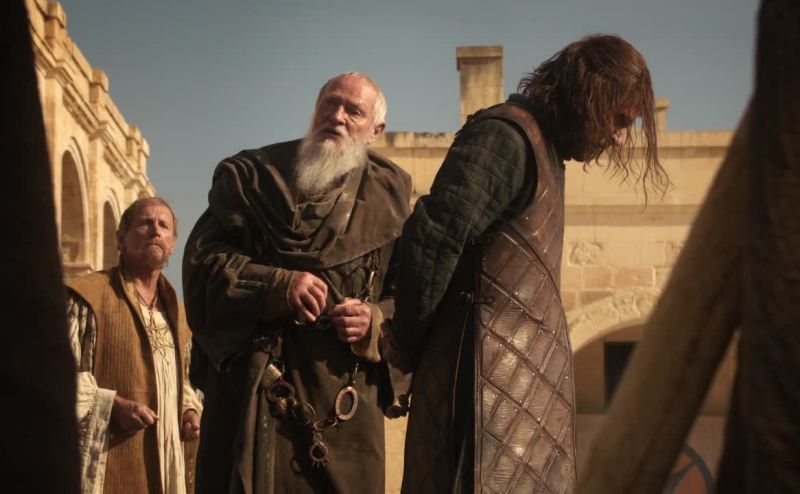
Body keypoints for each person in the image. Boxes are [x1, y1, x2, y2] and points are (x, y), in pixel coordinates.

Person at [387, 34, 670, 493]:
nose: (619, 137)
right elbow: (434, 239)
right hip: (478, 399)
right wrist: (405, 341)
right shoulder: (506, 137)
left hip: (516, 406)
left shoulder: (545, 153)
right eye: (619, 119)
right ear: (589, 96)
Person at [182, 72, 412, 494]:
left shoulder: (391, 199)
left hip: (345, 411)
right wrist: (275, 285)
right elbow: (204, 264)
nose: (337, 116)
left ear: (375, 131)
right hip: (257, 395)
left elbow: (413, 298)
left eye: (353, 111)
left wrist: (374, 320)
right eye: (329, 103)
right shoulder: (254, 177)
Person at [66, 197, 202, 494]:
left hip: (166, 468)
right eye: (145, 223)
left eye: (164, 225)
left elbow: (181, 382)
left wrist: (188, 411)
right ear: (121, 238)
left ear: (172, 245)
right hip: (108, 462)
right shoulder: (87, 298)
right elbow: (57, 374)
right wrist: (112, 405)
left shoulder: (179, 316)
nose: (155, 230)